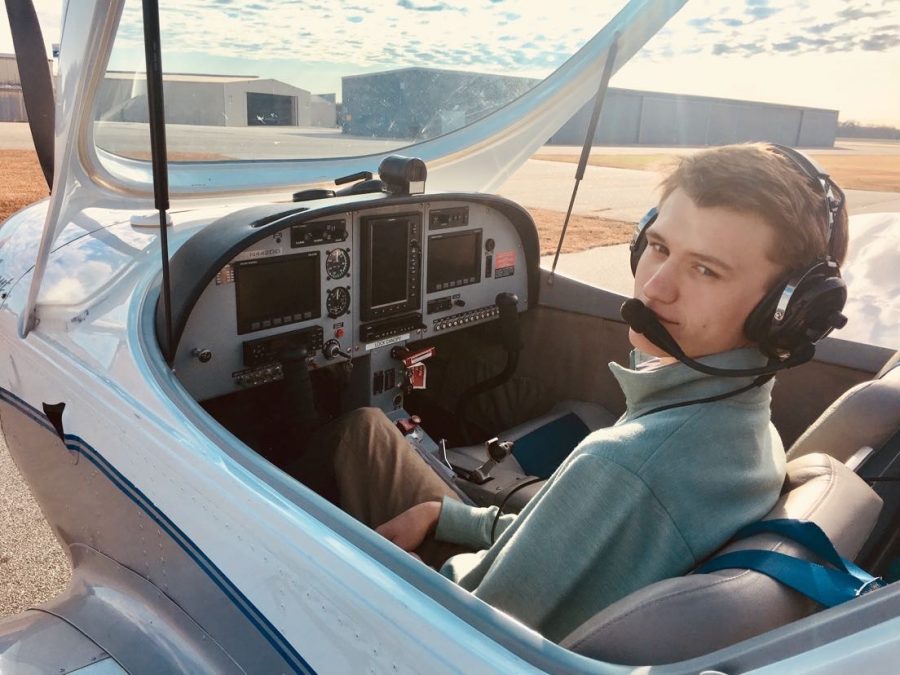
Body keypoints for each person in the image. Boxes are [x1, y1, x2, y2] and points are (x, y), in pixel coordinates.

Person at [292, 143, 849, 643]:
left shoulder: (625, 467)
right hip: (515, 569)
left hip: (448, 617)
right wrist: (449, 516)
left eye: (706, 269)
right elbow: (567, 541)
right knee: (370, 428)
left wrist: (375, 574)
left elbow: (466, 634)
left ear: (787, 313)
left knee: (359, 433)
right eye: (658, 246)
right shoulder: (746, 424)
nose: (656, 287)